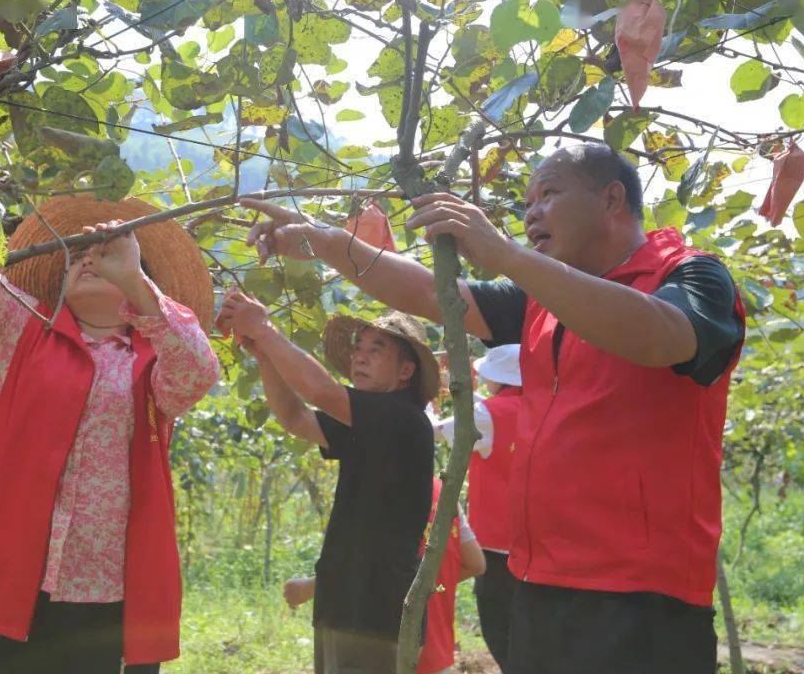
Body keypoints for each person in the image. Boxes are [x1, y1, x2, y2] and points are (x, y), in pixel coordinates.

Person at [241, 142, 746, 673]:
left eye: (549, 193)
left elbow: (663, 337)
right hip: (538, 584)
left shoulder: (692, 277)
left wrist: (505, 254)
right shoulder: (542, 300)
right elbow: (434, 294)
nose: (531, 213)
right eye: (528, 201)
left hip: (641, 599)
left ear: (611, 199)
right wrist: (322, 241)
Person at [0, 186, 220, 673]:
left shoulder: (157, 362)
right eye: (76, 256)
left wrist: (135, 281)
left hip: (108, 593)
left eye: (105, 257)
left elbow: (200, 372)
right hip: (12, 579)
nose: (88, 261)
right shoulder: (21, 329)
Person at [217, 291, 436, 673]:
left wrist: (264, 331)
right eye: (359, 348)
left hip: (377, 609)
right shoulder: (366, 420)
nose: (360, 356)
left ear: (405, 372)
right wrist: (265, 355)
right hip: (343, 602)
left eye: (376, 349)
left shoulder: (403, 418)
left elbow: (319, 391)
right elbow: (294, 417)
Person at [283, 476, 486, 674]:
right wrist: (428, 582)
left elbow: (363, 569)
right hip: (437, 657)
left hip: (387, 654)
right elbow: (476, 563)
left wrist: (305, 589)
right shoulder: (444, 492)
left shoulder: (376, 494)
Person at [429, 345, 522, 671]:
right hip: (541, 548)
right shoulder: (546, 406)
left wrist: (427, 402)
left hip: (497, 552)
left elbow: (435, 432)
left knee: (502, 634)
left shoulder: (488, 415)